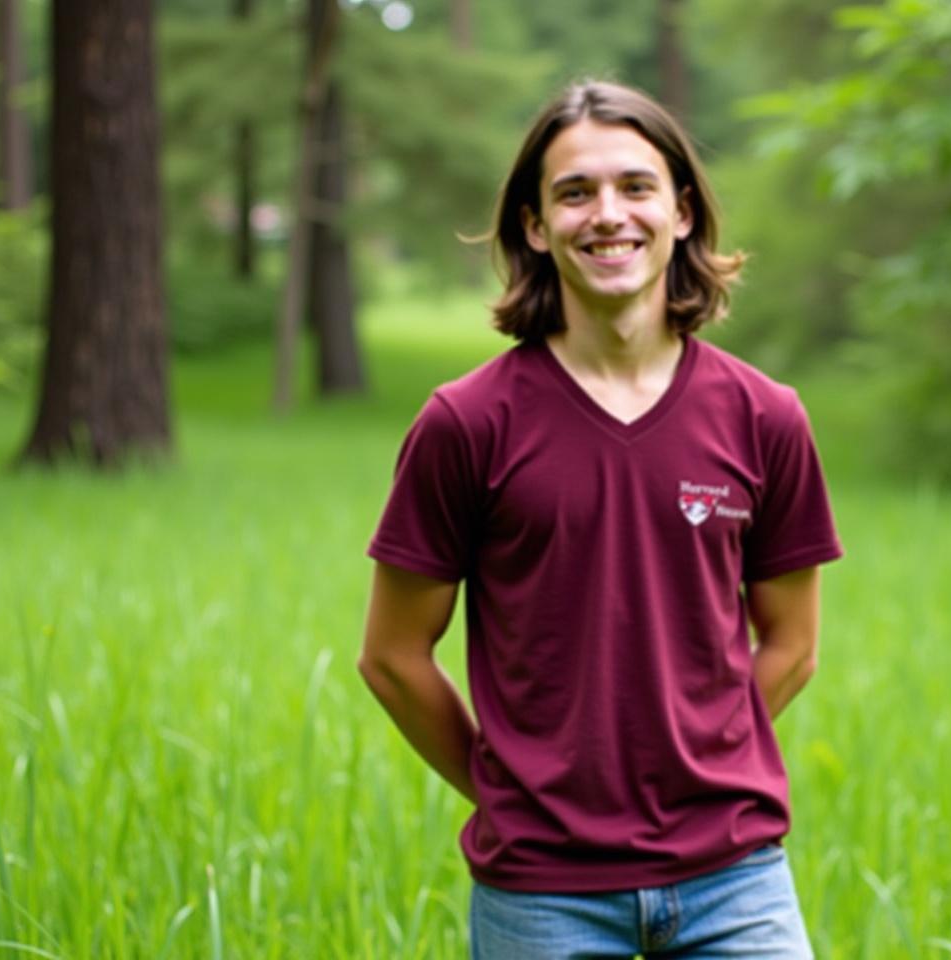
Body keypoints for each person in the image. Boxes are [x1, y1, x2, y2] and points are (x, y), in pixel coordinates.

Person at [359, 80, 842, 959]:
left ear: (682, 212)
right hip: (543, 894)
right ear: (536, 227)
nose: (607, 214)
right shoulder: (467, 425)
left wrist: (699, 748)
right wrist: (508, 787)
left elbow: (793, 644)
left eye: (635, 187)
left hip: (736, 878)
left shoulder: (766, 418)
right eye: (575, 193)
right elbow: (392, 657)